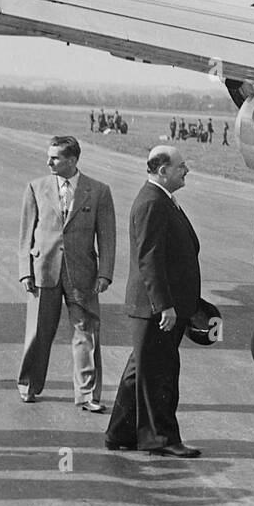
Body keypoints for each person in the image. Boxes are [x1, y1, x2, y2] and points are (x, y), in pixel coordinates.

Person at [105, 147, 203, 457]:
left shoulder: (162, 199)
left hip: (157, 306)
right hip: (155, 308)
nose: (186, 171)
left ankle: (119, 433)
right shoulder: (152, 203)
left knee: (142, 370)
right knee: (160, 373)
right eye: (181, 166)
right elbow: (149, 260)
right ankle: (161, 439)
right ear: (162, 170)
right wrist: (164, 306)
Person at [16, 136, 116, 410]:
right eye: (49, 157)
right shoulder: (36, 188)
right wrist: (26, 270)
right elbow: (26, 235)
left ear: (72, 160)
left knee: (86, 333)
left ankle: (87, 396)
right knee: (38, 332)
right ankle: (29, 385)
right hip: (43, 271)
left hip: (82, 275)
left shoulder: (98, 191)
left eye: (55, 157)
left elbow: (107, 237)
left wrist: (105, 273)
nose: (48, 162)